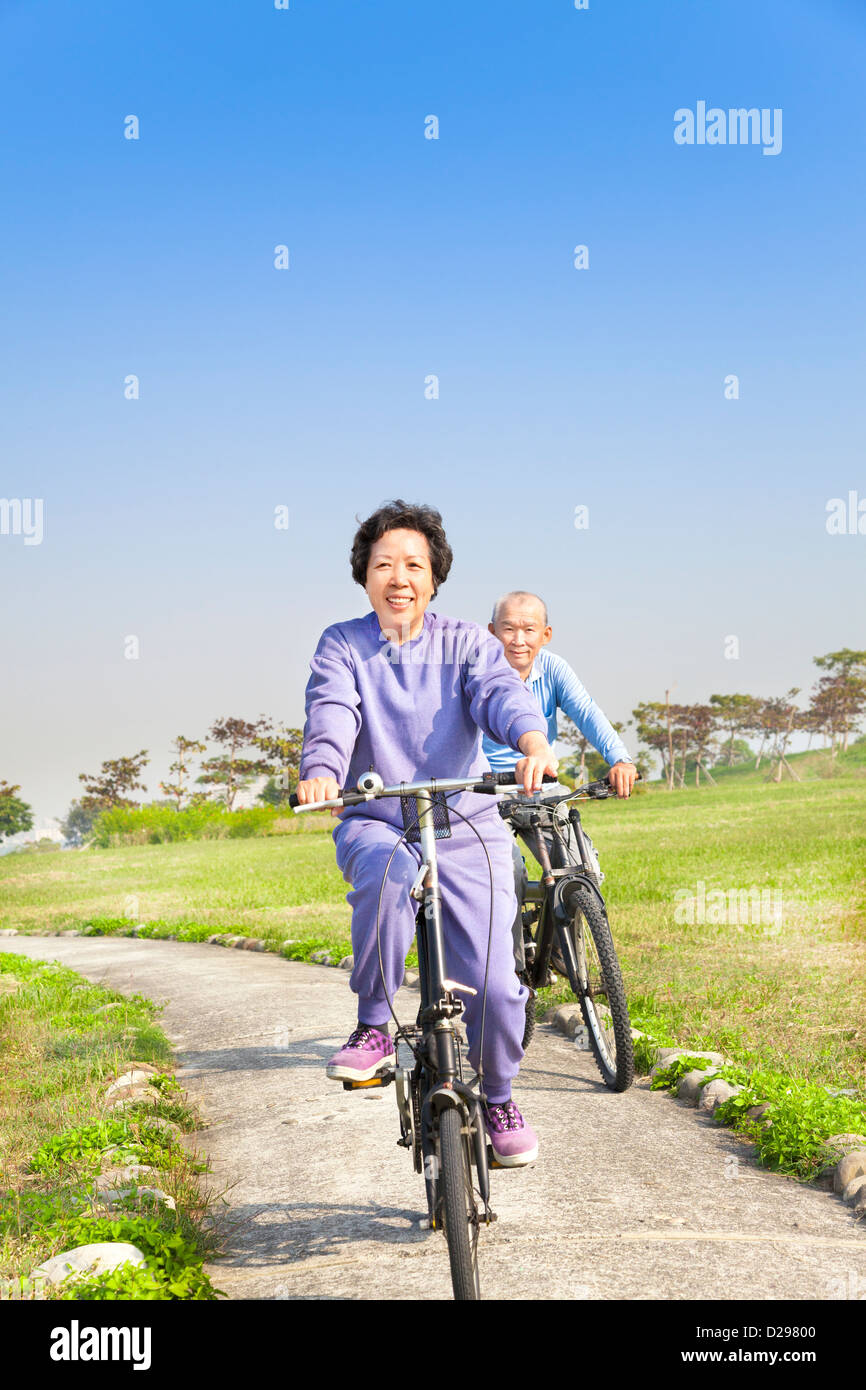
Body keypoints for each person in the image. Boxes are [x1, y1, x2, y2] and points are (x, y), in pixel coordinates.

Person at [295, 504, 558, 1166]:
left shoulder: (468, 642)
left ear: (435, 576)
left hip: (466, 823)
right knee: (384, 877)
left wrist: (531, 740)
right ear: (364, 577)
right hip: (379, 817)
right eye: (384, 564)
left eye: (414, 564)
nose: (400, 577)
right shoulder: (342, 644)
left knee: (498, 987)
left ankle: (497, 1094)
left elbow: (500, 694)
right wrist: (324, 772)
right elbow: (332, 711)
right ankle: (375, 1027)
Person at [482, 591, 637, 972]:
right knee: (506, 873)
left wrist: (619, 758)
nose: (518, 639)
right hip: (485, 789)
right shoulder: (478, 673)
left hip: (542, 788)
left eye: (529, 629)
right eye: (509, 629)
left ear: (545, 634)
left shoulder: (553, 669)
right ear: (491, 632)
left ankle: (557, 943)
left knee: (583, 868)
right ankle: (513, 970)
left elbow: (587, 712)